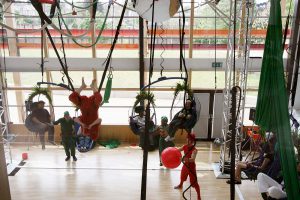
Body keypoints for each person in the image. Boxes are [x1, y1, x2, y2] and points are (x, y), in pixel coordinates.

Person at [174, 133, 201, 200]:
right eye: (188, 139)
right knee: (182, 176)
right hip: (185, 165)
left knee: (194, 182)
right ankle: (180, 185)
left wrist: (183, 159)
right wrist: (172, 149)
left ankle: (199, 196)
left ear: (193, 141)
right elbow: (177, 150)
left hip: (191, 167)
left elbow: (192, 160)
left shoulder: (194, 150)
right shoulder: (185, 146)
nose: (188, 141)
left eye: (190, 140)